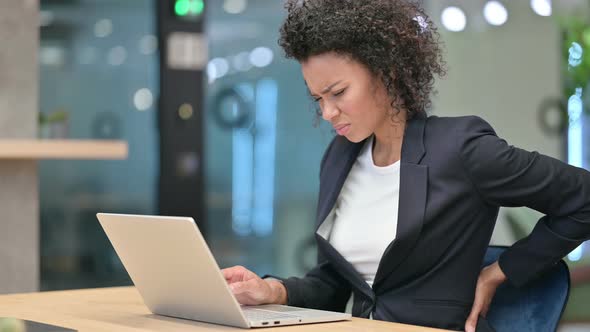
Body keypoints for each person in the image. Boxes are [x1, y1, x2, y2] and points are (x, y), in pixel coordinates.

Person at [222, 0, 590, 331]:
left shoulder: (460, 149)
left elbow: (583, 198)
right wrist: (271, 289)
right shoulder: (339, 157)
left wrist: (500, 272)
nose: (327, 112)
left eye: (338, 93)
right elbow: (334, 283)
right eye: (318, 97)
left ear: (387, 72)